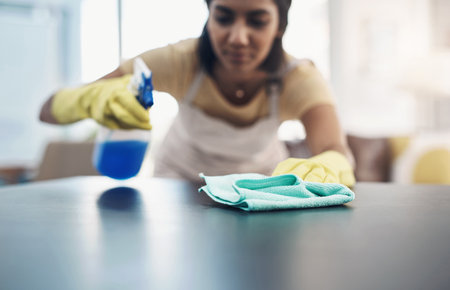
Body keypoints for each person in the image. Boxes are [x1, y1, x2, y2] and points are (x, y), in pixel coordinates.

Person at [39, 0, 355, 186]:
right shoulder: (179, 62)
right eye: (224, 17)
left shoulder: (298, 78)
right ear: (209, 16)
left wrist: (327, 165)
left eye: (257, 21)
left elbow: (335, 150)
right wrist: (91, 99)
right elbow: (48, 111)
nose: (238, 38)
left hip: (259, 195)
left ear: (279, 27)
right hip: (176, 187)